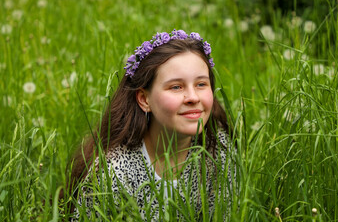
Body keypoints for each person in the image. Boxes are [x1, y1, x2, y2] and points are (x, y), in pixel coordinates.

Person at [68, 29, 233, 221]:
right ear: (144, 99)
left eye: (201, 84)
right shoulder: (114, 173)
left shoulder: (219, 152)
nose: (193, 97)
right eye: (176, 87)